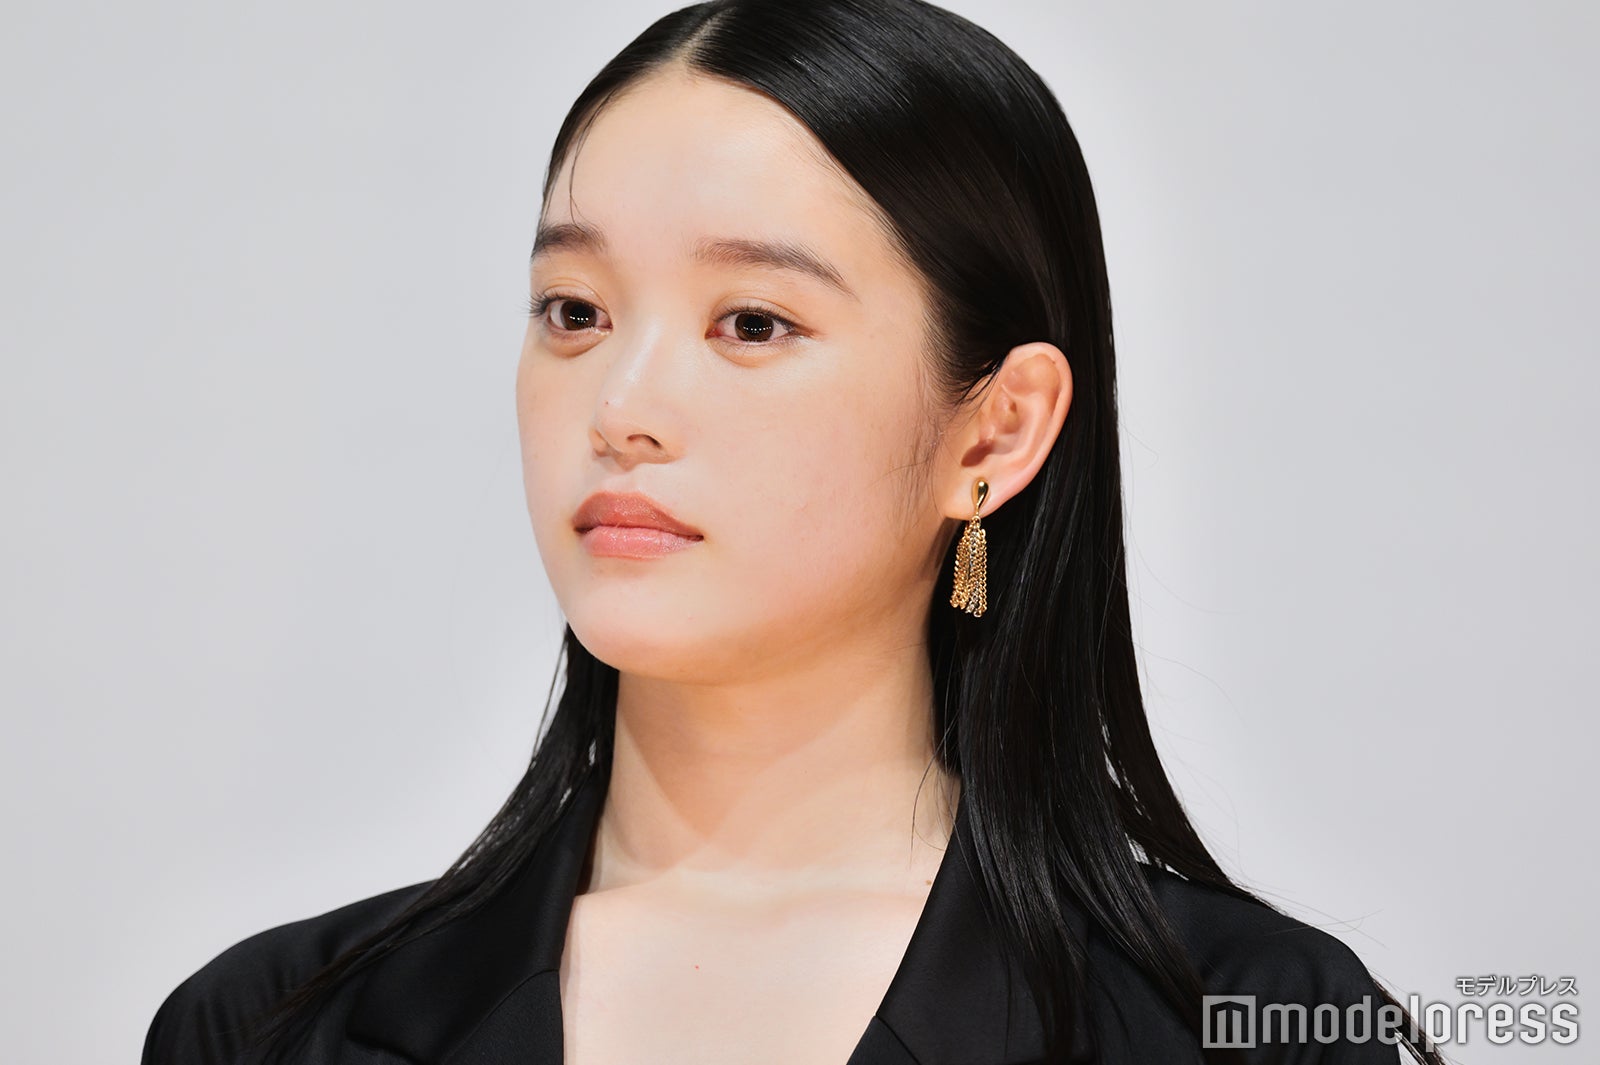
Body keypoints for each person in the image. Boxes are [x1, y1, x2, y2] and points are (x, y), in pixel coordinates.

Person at [141, 1, 1444, 1062]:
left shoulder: (1255, 1025)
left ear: (994, 433)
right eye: (575, 311)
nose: (622, 407)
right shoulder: (266, 1028)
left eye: (752, 323)